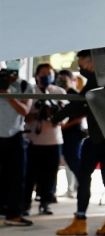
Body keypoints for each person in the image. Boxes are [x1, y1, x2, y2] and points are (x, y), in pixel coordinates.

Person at [57, 50, 105, 236]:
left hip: (96, 139)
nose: (81, 67)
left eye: (82, 63)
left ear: (91, 61)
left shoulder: (94, 80)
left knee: (85, 179)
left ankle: (80, 221)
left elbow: (78, 103)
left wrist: (56, 117)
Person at [23, 63, 66, 216]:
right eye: (43, 73)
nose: (46, 76)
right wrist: (37, 115)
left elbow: (65, 118)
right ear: (36, 75)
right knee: (29, 174)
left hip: (54, 141)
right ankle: (25, 204)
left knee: (50, 175)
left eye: (49, 73)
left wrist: (55, 114)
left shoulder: (58, 92)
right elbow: (23, 116)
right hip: (33, 141)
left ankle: (45, 203)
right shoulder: (30, 91)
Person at [0, 64, 33, 227]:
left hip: (15, 136)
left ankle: (13, 214)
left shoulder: (25, 86)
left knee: (16, 177)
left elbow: (25, 111)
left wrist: (7, 95)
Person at [56, 69, 83, 199]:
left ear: (71, 80)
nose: (60, 82)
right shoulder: (57, 93)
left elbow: (81, 115)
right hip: (63, 132)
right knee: (68, 161)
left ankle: (82, 184)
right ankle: (74, 187)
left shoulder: (74, 94)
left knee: (73, 160)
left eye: (63, 79)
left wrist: (65, 126)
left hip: (73, 133)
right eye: (59, 79)